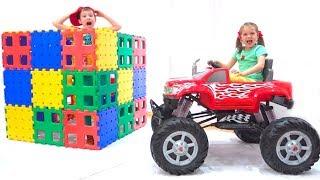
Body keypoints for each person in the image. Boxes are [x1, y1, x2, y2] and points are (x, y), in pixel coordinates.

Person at [52, 6, 121, 31]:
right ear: (80, 21)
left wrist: (104, 15)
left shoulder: (99, 31)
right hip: (78, 62)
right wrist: (70, 15)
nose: (88, 18)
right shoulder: (75, 30)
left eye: (91, 15)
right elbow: (56, 23)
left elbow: (118, 27)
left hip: (94, 62)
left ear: (95, 20)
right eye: (84, 16)